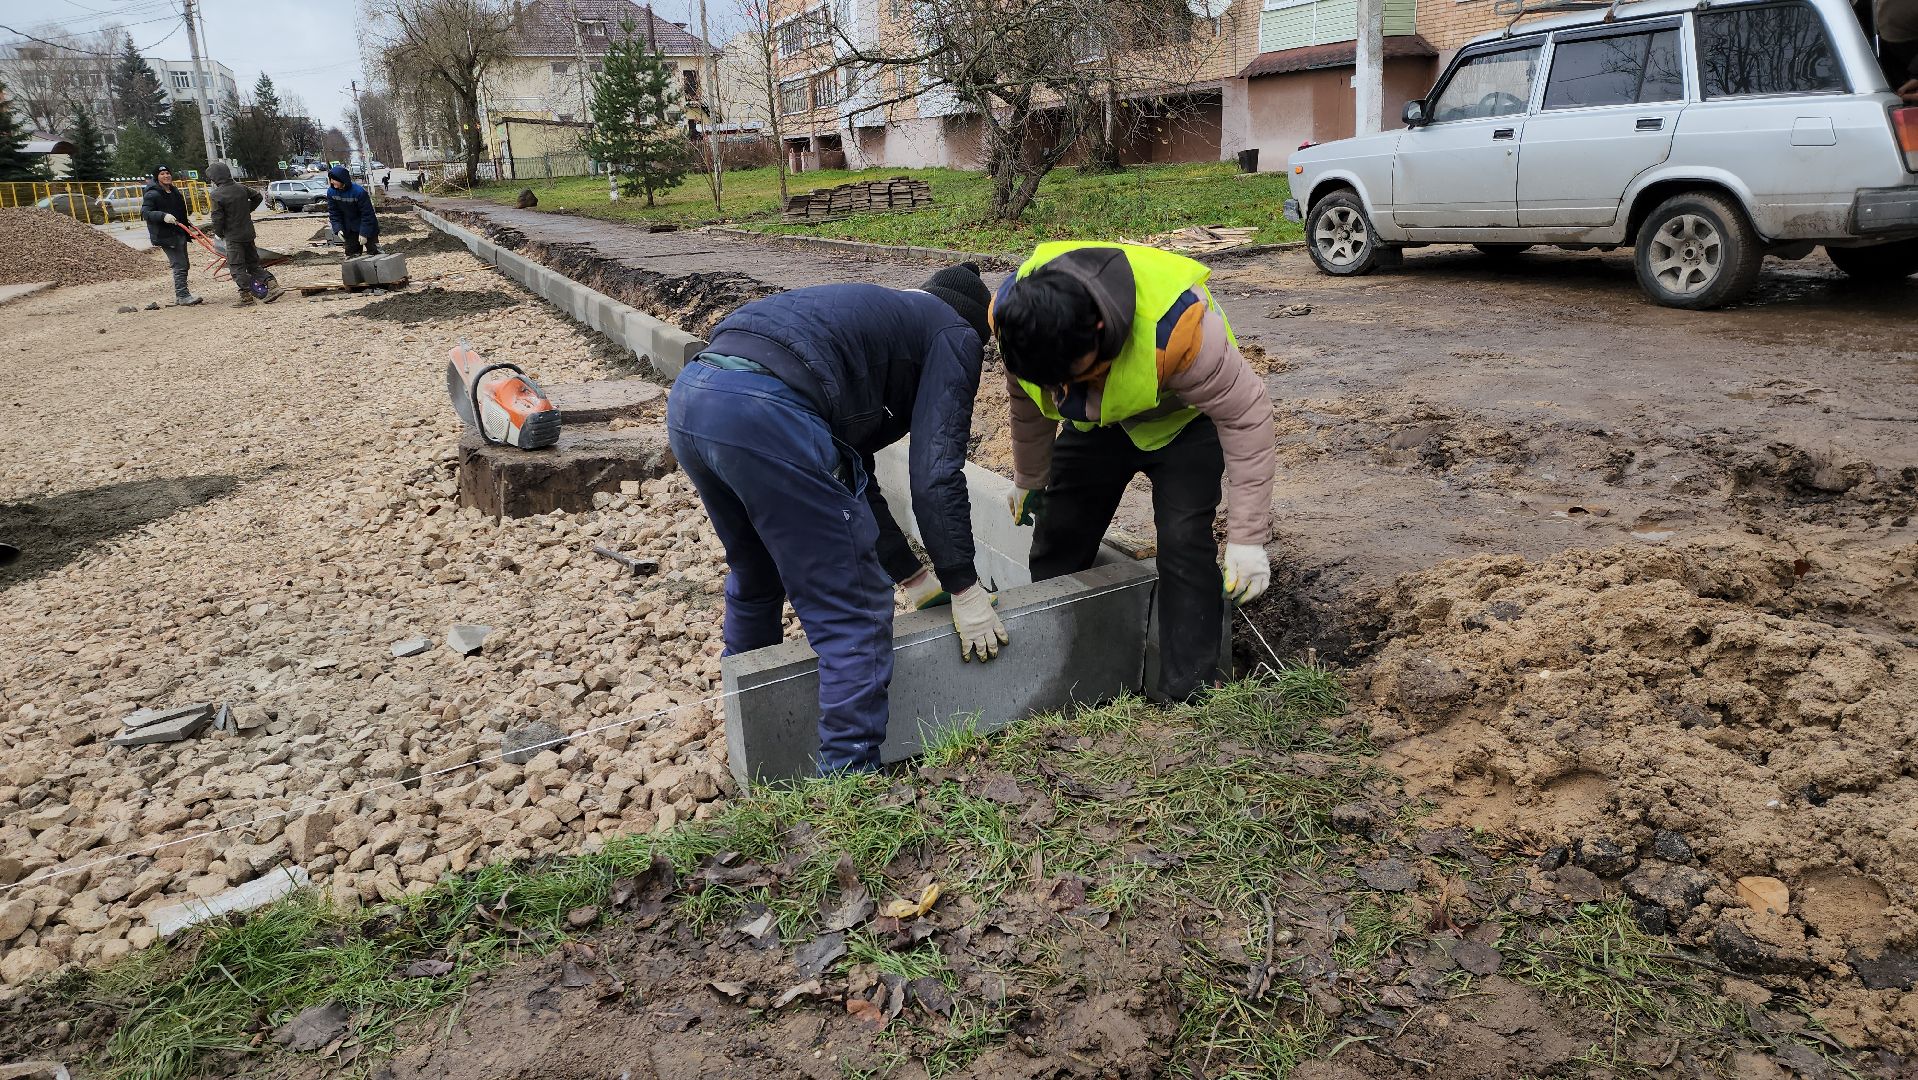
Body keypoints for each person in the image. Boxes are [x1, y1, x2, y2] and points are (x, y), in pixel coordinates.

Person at [666, 265, 1008, 775]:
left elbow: (852, 473)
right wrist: (964, 586)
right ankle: (848, 781)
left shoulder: (872, 326)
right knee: (854, 608)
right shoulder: (955, 333)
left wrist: (913, 577)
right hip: (764, 411)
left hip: (694, 400)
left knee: (758, 573)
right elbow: (935, 475)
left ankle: (755, 739)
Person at [991, 242, 1276, 702]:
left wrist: (1248, 539)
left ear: (1098, 334)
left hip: (1181, 425)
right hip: (1096, 423)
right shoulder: (1017, 321)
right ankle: (1059, 666)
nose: (1058, 387)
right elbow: (1027, 400)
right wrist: (1030, 477)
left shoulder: (1180, 329)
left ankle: (1191, 691)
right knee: (1060, 528)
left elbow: (1247, 417)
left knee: (1184, 540)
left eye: (1070, 375)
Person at [205, 162, 281, 305]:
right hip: (248, 234)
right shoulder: (241, 188)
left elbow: (217, 217)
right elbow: (258, 197)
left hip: (233, 236)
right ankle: (272, 284)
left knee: (236, 268)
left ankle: (247, 296)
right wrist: (247, 210)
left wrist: (218, 233)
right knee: (253, 265)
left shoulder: (216, 194)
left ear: (214, 178)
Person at [140, 165, 201, 306]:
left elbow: (178, 211)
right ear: (157, 177)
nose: (166, 176)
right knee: (180, 264)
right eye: (162, 174)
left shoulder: (174, 191)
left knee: (184, 264)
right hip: (165, 235)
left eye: (167, 173)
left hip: (179, 232)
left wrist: (186, 222)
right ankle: (183, 295)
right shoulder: (152, 194)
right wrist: (163, 216)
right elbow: (145, 213)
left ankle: (181, 296)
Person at [325, 164, 380, 256]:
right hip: (350, 228)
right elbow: (334, 213)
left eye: (334, 180)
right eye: (330, 179)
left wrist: (364, 233)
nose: (331, 182)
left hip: (367, 226)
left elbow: (367, 214)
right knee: (352, 255)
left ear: (342, 179)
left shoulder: (359, 192)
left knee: (375, 252)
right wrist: (338, 228)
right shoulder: (331, 192)